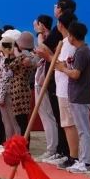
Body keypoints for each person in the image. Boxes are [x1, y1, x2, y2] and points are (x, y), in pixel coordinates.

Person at [58, 21, 90, 174]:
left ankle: (86, 163)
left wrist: (63, 69)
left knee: (83, 131)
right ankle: (83, 161)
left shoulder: (82, 52)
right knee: (81, 130)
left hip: (80, 97)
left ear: (72, 36)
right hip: (77, 96)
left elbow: (76, 74)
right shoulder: (81, 51)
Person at [52, 13, 79, 170]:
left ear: (61, 25)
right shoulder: (63, 42)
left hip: (66, 89)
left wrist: (50, 58)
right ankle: (72, 155)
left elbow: (66, 66)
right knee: (66, 124)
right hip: (61, 88)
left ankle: (73, 157)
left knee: (69, 124)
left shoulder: (69, 44)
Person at [32, 15, 61, 163]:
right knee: (47, 116)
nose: (35, 28)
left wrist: (39, 33)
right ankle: (52, 148)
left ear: (42, 25)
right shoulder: (45, 38)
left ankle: (52, 149)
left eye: (36, 25)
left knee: (48, 116)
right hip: (41, 81)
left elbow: (43, 49)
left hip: (47, 83)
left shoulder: (49, 39)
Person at [8, 31, 39, 137]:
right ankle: (24, 143)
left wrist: (13, 54)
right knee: (23, 121)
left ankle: (23, 144)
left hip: (18, 91)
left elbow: (10, 66)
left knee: (21, 122)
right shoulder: (32, 56)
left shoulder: (22, 57)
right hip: (25, 89)